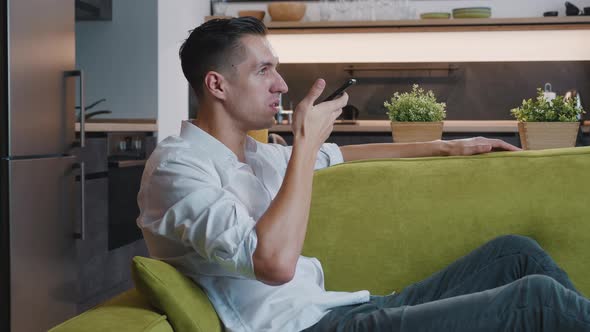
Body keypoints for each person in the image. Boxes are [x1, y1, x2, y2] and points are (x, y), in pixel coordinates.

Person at [136, 17, 590, 332]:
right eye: (264, 70)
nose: (280, 84)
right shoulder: (178, 168)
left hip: (342, 309)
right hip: (308, 329)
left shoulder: (256, 156)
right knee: (538, 301)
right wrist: (303, 146)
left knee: (515, 255)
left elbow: (340, 156)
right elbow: (273, 263)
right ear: (217, 85)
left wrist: (445, 146)